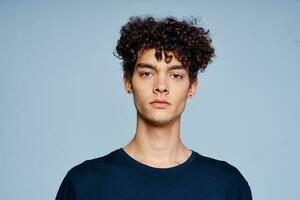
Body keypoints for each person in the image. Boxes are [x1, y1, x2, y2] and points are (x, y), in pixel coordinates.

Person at [55, 16, 252, 200]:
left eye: (176, 75)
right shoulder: (84, 183)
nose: (161, 86)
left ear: (192, 86)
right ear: (127, 82)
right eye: (147, 73)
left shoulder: (227, 185)